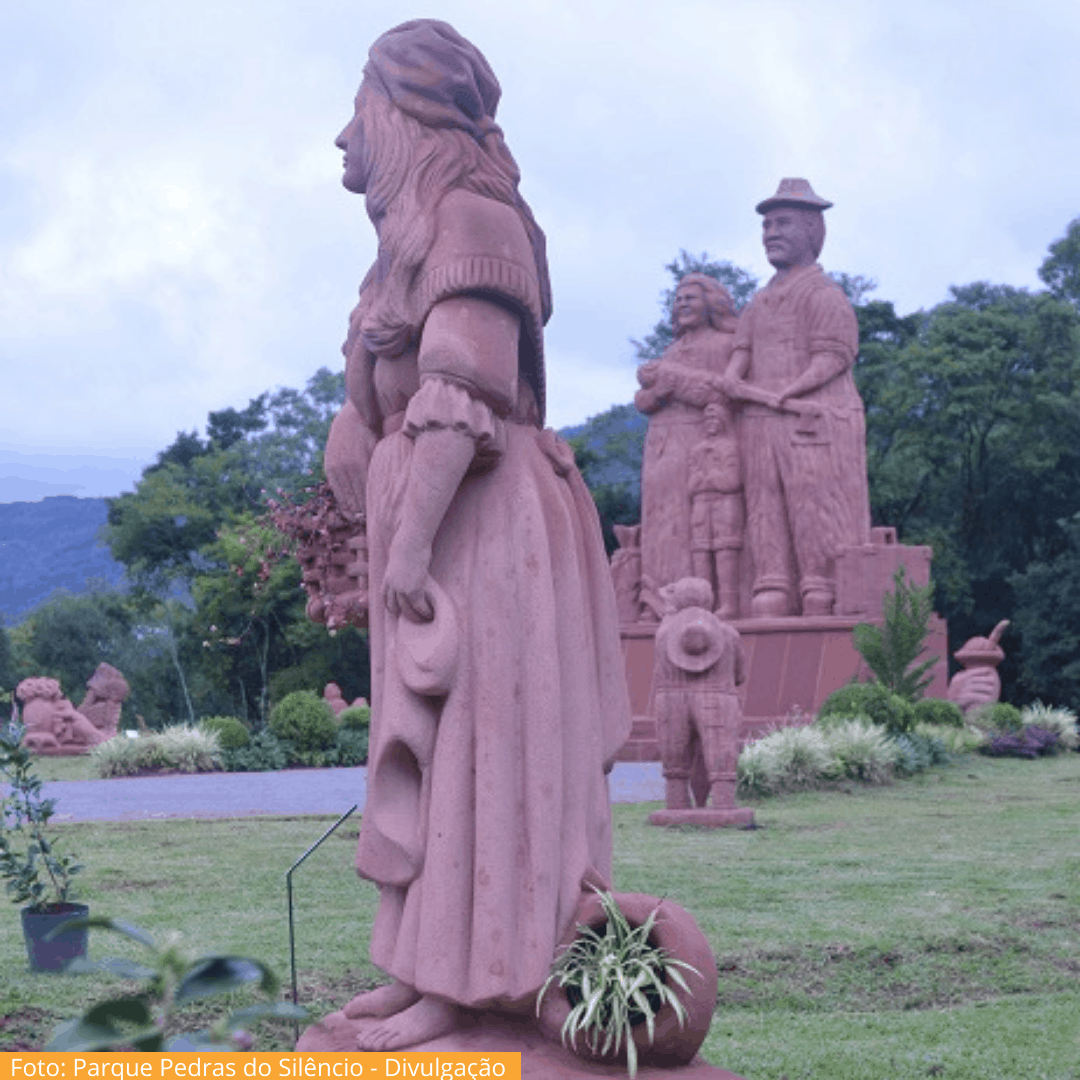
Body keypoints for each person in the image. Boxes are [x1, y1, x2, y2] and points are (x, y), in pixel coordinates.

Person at [322, 20, 631, 1051]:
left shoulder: (473, 216)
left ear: (406, 114)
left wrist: (406, 550)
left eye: (358, 110)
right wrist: (365, 384)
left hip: (485, 525)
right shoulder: (400, 245)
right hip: (437, 518)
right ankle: (427, 976)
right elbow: (378, 408)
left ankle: (484, 985)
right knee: (441, 753)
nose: (341, 137)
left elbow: (464, 387)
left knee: (488, 754)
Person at [721, 178, 870, 618]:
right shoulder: (760, 301)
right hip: (761, 420)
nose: (771, 233)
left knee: (814, 502)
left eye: (782, 223)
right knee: (763, 503)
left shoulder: (823, 294)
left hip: (815, 419)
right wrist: (734, 380)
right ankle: (771, 585)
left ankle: (819, 587)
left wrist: (786, 391)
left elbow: (833, 357)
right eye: (766, 226)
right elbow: (740, 354)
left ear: (811, 229)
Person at [634, 274, 739, 615]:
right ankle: (658, 595)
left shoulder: (725, 345)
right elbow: (646, 400)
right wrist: (659, 392)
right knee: (660, 519)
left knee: (692, 520)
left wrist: (679, 386)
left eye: (690, 298)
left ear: (711, 303)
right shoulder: (671, 350)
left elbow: (726, 394)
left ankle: (699, 596)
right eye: (678, 299)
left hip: (699, 442)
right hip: (661, 442)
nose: (682, 304)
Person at [687, 402, 744, 618]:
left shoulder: (730, 447)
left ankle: (729, 604)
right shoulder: (696, 450)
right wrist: (708, 478)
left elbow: (731, 481)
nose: (710, 423)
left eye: (715, 419)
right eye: (707, 419)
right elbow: (691, 486)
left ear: (723, 422)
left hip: (725, 504)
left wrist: (708, 477)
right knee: (700, 552)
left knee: (725, 550)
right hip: (701, 505)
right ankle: (703, 603)